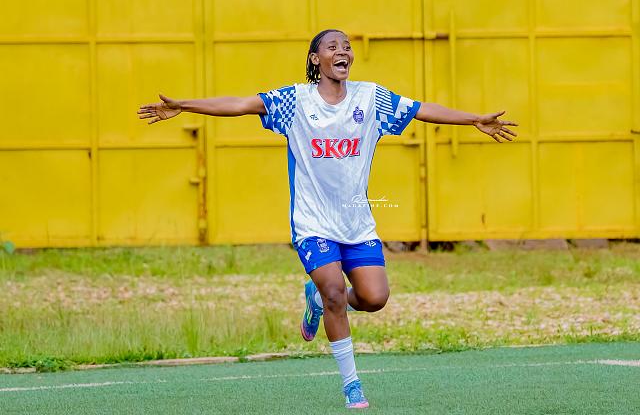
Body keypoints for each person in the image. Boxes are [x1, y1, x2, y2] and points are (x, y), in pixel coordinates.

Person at [137, 29, 518, 409]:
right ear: (315, 59)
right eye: (332, 47)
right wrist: (184, 105)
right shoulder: (294, 101)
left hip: (356, 223)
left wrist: (473, 120)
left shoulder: (371, 98)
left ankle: (316, 299)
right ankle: (352, 384)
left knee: (374, 298)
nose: (343, 51)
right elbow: (239, 104)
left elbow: (421, 109)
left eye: (347, 47)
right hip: (312, 223)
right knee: (335, 290)